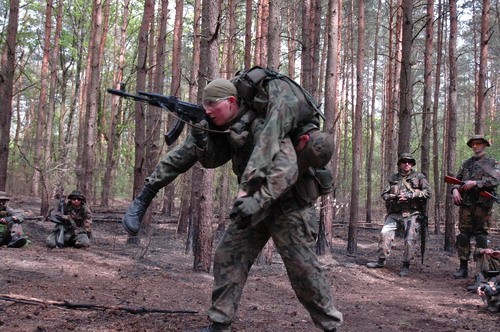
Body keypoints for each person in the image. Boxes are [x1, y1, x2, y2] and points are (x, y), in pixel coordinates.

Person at [122, 73, 342, 332]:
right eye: (204, 106)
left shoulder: (263, 123)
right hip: (251, 207)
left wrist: (256, 199)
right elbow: (193, 158)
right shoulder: (219, 126)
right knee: (229, 256)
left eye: (211, 105)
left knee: (303, 270)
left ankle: (330, 326)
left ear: (230, 102)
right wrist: (201, 141)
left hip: (288, 206)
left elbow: (287, 168)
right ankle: (219, 323)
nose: (207, 110)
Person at [366, 153, 431, 277]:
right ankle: (381, 260)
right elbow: (384, 195)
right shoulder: (393, 178)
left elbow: (428, 193)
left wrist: (411, 195)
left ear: (412, 164)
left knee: (409, 239)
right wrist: (395, 197)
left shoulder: (419, 177)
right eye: (404, 161)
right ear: (400, 164)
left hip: (412, 213)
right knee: (384, 234)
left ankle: (406, 265)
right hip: (395, 214)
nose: (407, 164)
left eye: (409, 162)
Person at [451, 135, 499, 279]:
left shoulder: (492, 163)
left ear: (484, 145)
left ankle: (482, 270)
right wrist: (454, 190)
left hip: (482, 206)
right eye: (473, 144)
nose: (476, 146)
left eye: (479, 144)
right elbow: (457, 180)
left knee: (481, 236)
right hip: (466, 204)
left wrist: (476, 183)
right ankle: (463, 267)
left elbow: (496, 180)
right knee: (463, 235)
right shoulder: (466, 164)